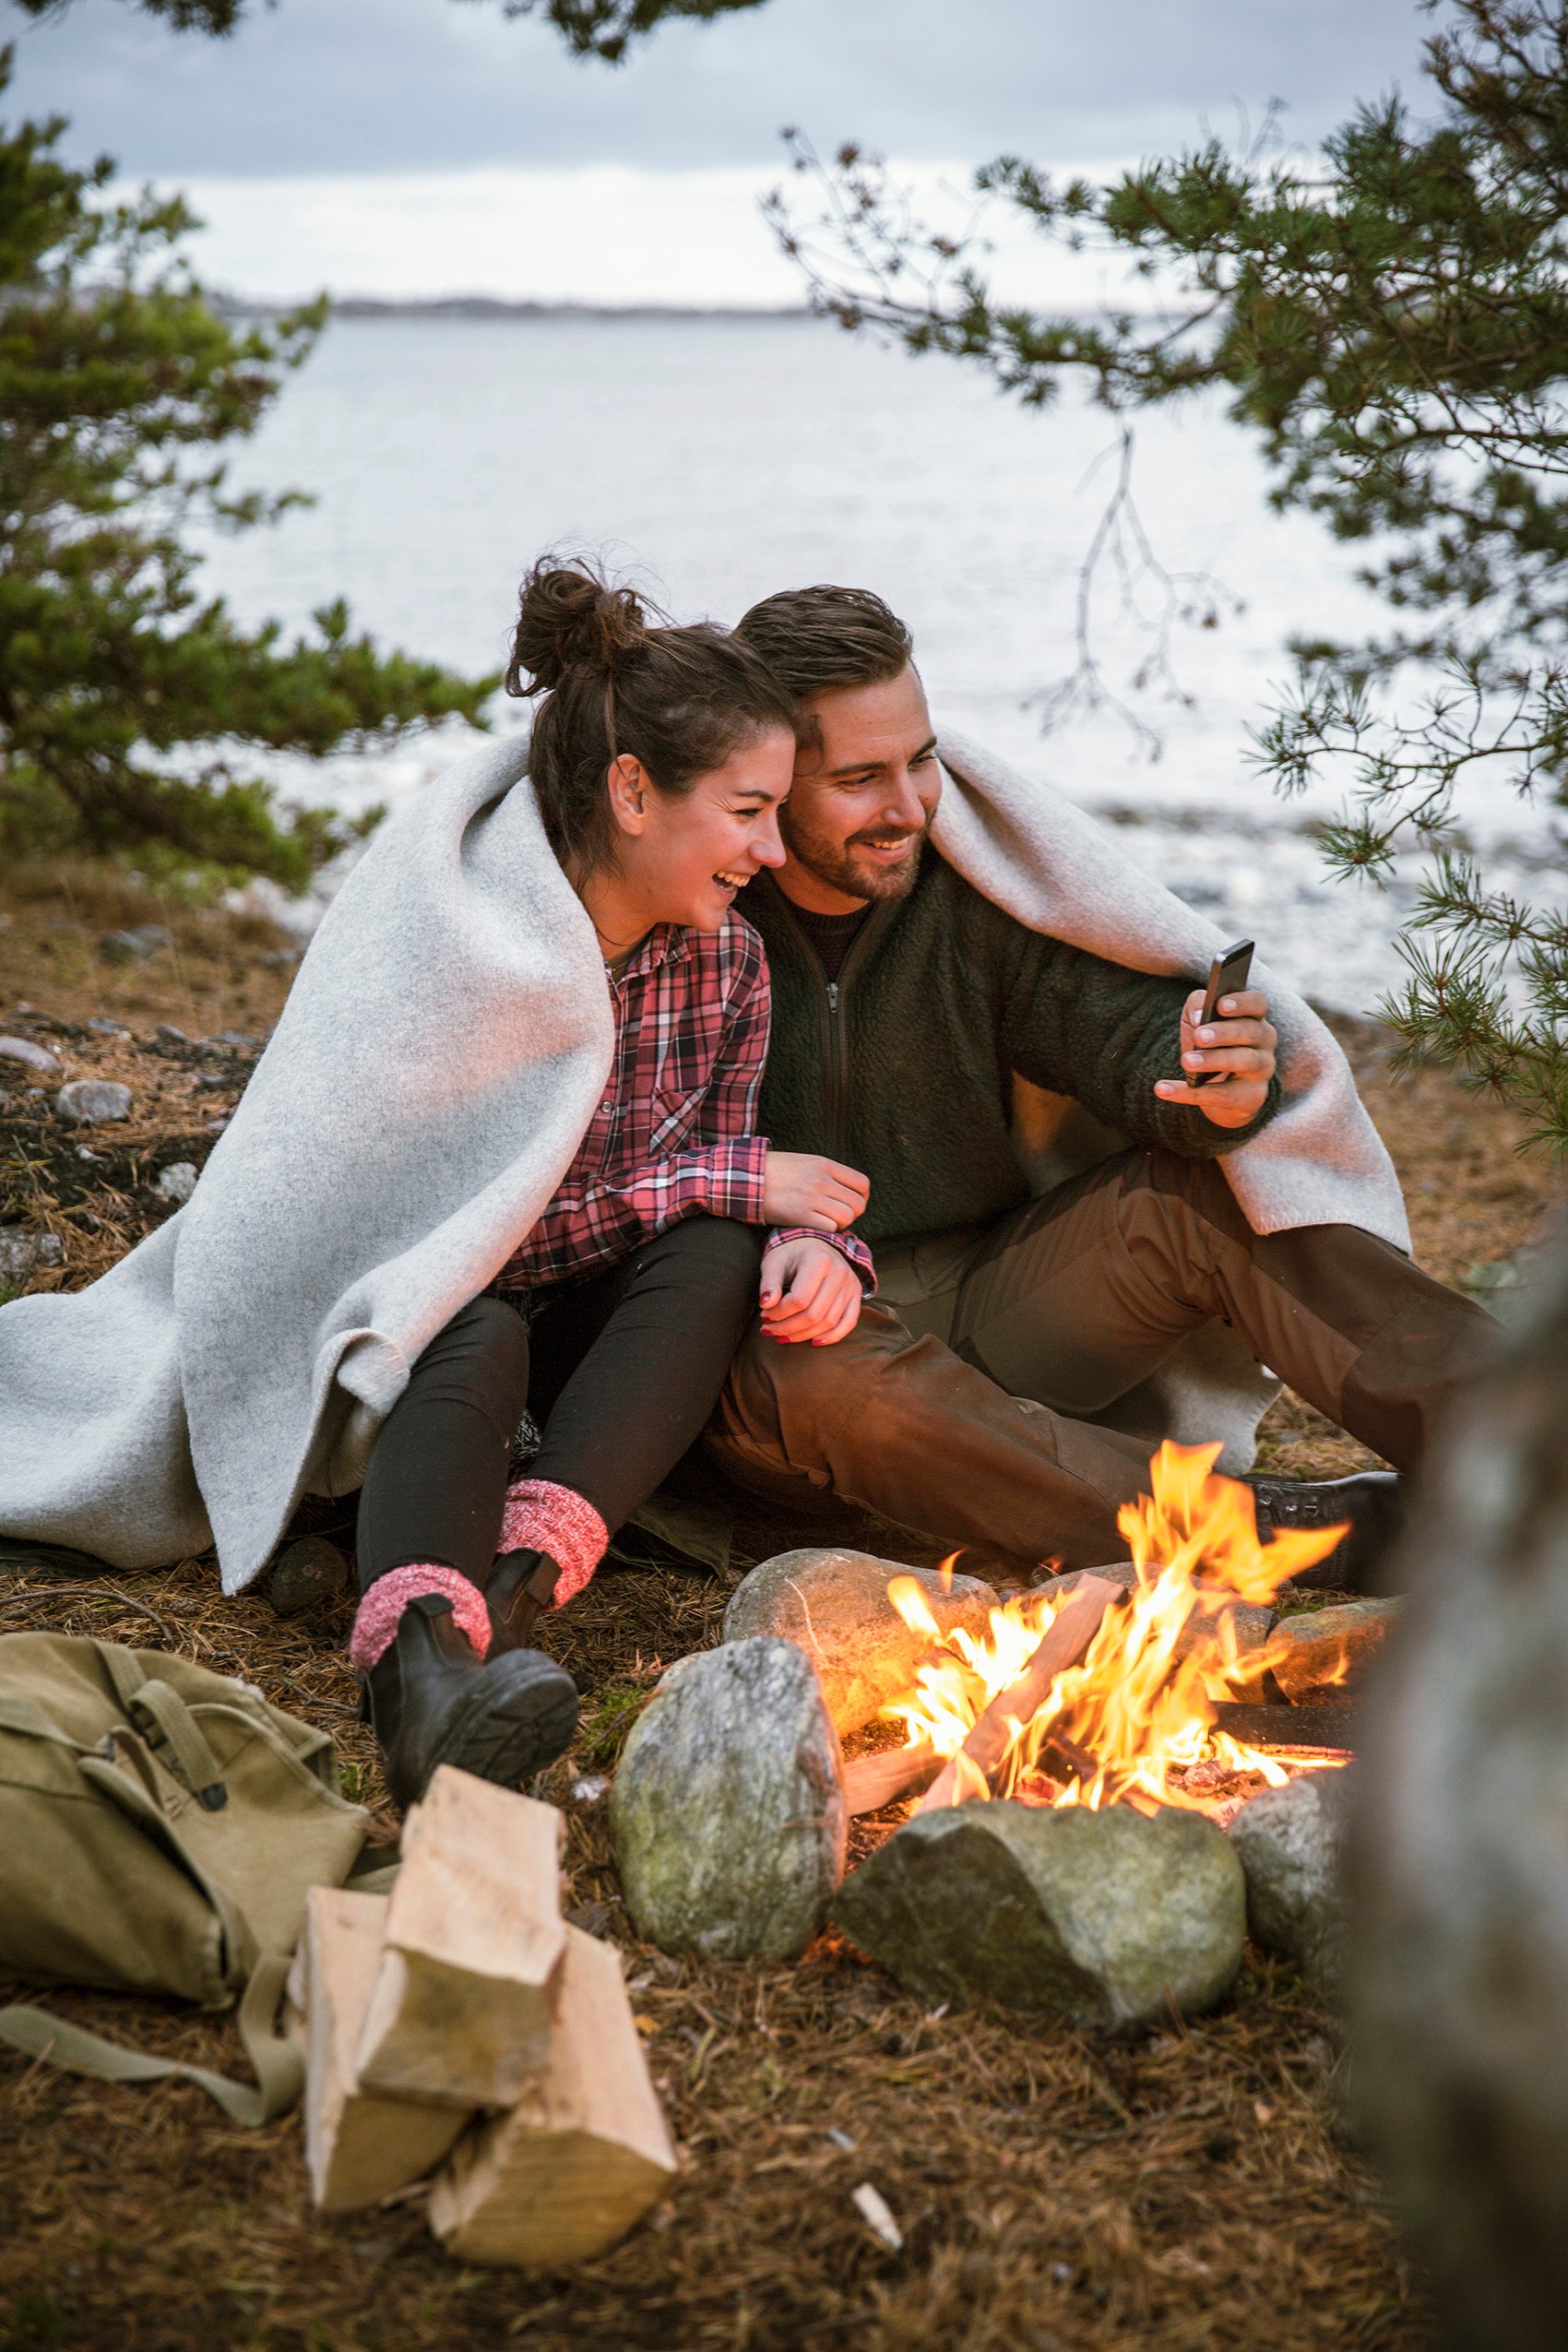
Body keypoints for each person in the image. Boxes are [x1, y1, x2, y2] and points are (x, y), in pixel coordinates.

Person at [0, 564, 873, 1808]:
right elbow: (432, 1248)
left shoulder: (725, 962)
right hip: (387, 1335)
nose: (774, 848)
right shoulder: (454, 945)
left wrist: (814, 1242)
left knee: (719, 1248)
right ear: (634, 791)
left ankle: (505, 1605)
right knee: (473, 1318)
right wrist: (717, 1178)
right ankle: (421, 1675)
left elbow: (713, 1197)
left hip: (574, 1361)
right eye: (747, 809)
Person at [704, 584, 1500, 1585]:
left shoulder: (960, 896)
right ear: (767, 781)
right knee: (822, 1378)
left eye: (920, 760)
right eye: (859, 778)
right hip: (785, 1337)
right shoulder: (692, 920)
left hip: (991, 1293)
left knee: (1204, 1199)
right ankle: (1279, 1535)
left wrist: (1204, 1077)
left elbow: (1108, 1024)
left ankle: (1524, 1450)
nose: (907, 808)